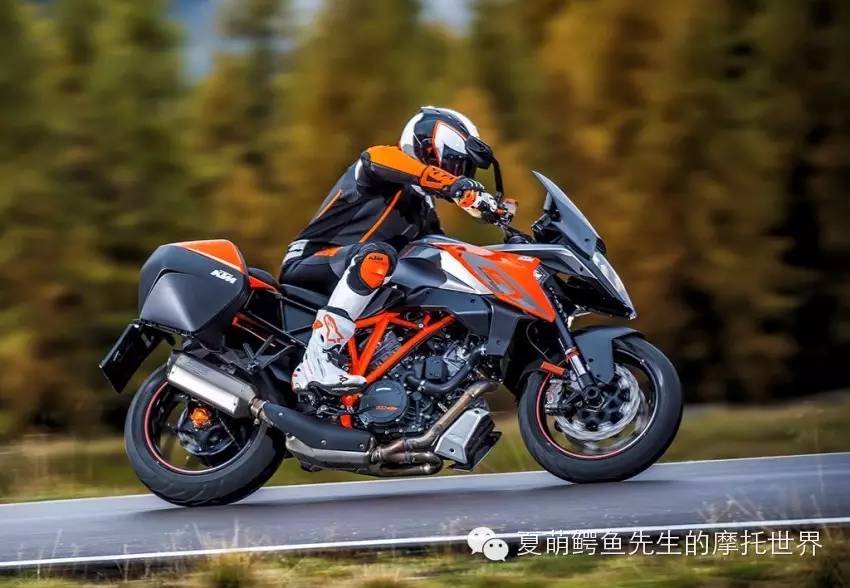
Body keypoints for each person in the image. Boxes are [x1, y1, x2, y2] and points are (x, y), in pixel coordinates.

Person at [281, 106, 515, 391]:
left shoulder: (423, 210)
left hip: (361, 278)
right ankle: (317, 360)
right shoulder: (382, 169)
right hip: (311, 259)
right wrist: (450, 184)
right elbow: (375, 157)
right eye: (455, 164)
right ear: (427, 148)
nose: (458, 173)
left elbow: (444, 254)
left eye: (463, 169)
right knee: (377, 256)